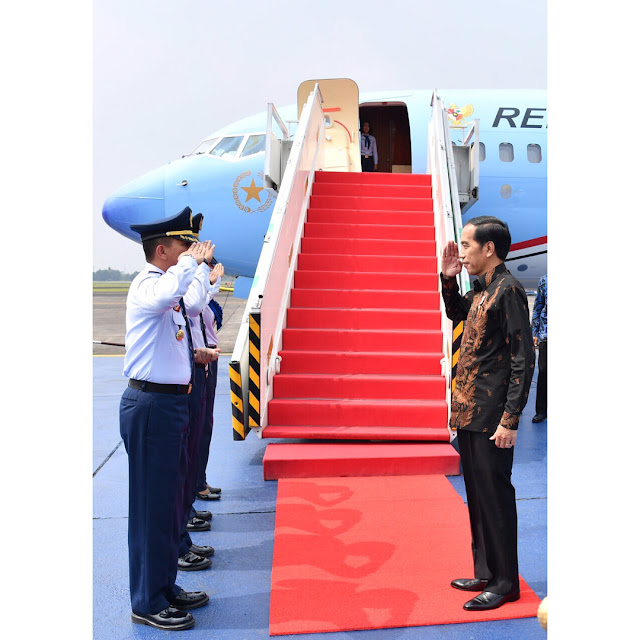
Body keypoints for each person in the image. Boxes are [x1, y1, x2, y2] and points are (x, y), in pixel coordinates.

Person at [120, 206, 218, 630]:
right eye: (182, 246)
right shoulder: (147, 285)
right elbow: (168, 295)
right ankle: (146, 600)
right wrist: (191, 264)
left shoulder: (170, 287)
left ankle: (164, 586)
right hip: (151, 408)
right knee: (151, 508)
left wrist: (197, 270)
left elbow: (192, 302)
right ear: (162, 251)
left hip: (171, 405)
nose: (189, 252)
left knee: (171, 502)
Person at [439, 216, 535, 612]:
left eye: (466, 245)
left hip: (492, 415)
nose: (461, 252)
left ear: (489, 248)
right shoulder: (482, 289)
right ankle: (486, 572)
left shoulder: (508, 290)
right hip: (469, 412)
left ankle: (505, 582)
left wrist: (510, 419)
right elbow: (455, 313)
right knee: (478, 497)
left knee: (495, 498)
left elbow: (523, 358)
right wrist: (449, 279)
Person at [195, 262, 225, 501]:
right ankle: (195, 483)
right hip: (201, 360)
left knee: (206, 425)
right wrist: (208, 281)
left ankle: (199, 478)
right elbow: (198, 304)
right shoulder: (192, 298)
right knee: (198, 426)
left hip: (210, 358)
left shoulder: (204, 297)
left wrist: (213, 283)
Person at [531, 275, 547, 423]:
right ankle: (541, 411)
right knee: (543, 374)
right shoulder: (545, 281)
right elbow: (538, 307)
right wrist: (534, 333)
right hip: (546, 336)